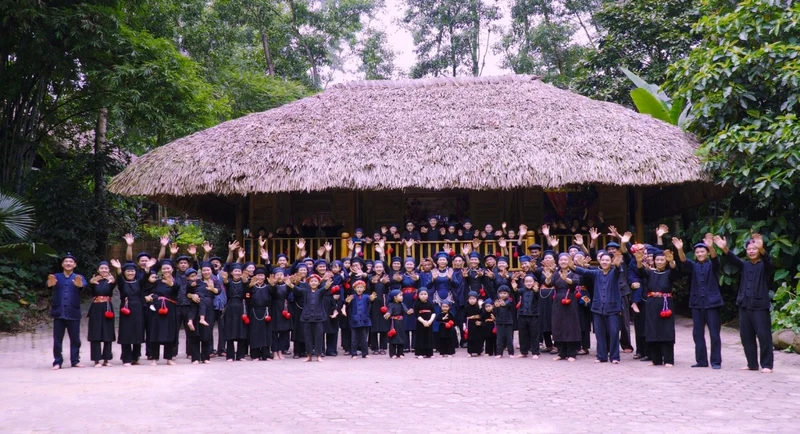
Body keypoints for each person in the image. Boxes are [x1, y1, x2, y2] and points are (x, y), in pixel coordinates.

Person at [714, 234, 774, 373]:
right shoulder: (745, 265)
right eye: (749, 249)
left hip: (760, 306)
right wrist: (724, 248)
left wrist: (763, 249)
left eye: (754, 249)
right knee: (746, 336)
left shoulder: (764, 266)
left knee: (764, 336)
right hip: (744, 305)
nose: (752, 251)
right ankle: (752, 364)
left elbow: (769, 263)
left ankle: (767, 365)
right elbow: (734, 260)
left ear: (759, 250)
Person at [571, 231, 630, 364]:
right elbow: (584, 271)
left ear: (610, 261)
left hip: (613, 308)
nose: (604, 262)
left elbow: (618, 269)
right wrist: (572, 266)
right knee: (600, 334)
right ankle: (601, 356)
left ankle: (614, 357)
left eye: (607, 260)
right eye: (602, 260)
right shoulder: (596, 273)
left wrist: (617, 263)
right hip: (598, 308)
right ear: (599, 261)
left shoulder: (615, 272)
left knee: (614, 332)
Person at [673, 236, 723, 369]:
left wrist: (711, 246)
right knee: (697, 333)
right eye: (698, 252)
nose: (700, 254)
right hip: (696, 303)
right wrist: (680, 249)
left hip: (712, 303)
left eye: (702, 252)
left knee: (714, 333)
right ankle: (701, 360)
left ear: (706, 252)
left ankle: (716, 361)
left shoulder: (713, 265)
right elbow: (683, 260)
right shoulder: (694, 266)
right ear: (695, 254)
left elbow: (714, 258)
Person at [635, 248, 679, 367]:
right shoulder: (650, 272)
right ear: (654, 261)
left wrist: (672, 263)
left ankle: (669, 360)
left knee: (666, 330)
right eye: (657, 260)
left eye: (662, 260)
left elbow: (675, 275)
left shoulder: (669, 273)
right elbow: (641, 273)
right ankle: (656, 360)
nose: (659, 262)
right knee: (652, 329)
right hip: (652, 304)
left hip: (666, 304)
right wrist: (639, 261)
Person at [48, 253, 87, 370]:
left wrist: (79, 284)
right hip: (59, 312)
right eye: (66, 261)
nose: (68, 263)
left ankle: (75, 360)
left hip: (73, 313)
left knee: (75, 339)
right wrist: (51, 282)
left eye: (71, 262)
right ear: (62, 264)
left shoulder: (78, 277)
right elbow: (49, 284)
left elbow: (82, 285)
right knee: (57, 339)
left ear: (74, 265)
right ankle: (57, 361)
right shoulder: (57, 276)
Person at [144, 259, 181, 365]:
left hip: (170, 310)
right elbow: (148, 290)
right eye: (164, 268)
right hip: (156, 311)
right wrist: (149, 296)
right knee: (154, 333)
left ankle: (169, 358)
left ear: (172, 269)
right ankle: (154, 358)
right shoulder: (156, 281)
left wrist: (171, 284)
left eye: (168, 268)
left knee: (170, 333)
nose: (166, 270)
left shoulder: (176, 281)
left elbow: (176, 289)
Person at [112, 260, 148, 366]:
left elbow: (146, 277)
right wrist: (118, 268)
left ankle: (135, 358)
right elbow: (119, 278)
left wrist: (147, 268)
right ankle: (126, 358)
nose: (130, 273)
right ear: (124, 272)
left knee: (138, 332)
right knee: (126, 333)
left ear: (135, 272)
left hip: (138, 308)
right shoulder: (122, 283)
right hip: (126, 308)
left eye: (132, 271)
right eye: (128, 271)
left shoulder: (139, 282)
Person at [289, 273, 330, 362]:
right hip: (307, 318)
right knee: (307, 337)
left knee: (319, 337)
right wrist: (290, 284)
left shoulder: (320, 292)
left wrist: (327, 286)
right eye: (312, 281)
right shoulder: (305, 291)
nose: (314, 283)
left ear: (319, 283)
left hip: (318, 318)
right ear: (308, 283)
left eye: (315, 281)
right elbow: (297, 289)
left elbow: (325, 289)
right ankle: (309, 355)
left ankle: (318, 355)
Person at [550, 254, 582, 362]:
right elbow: (549, 283)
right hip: (558, 301)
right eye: (561, 260)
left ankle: (572, 353)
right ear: (558, 262)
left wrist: (566, 279)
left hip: (570, 299)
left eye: (565, 260)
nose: (563, 262)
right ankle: (561, 352)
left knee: (570, 326)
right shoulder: (556, 273)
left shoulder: (574, 272)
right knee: (558, 325)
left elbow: (576, 282)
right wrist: (548, 276)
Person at [87, 261, 116, 367]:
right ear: (98, 270)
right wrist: (91, 282)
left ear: (109, 270)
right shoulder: (94, 280)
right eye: (102, 268)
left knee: (107, 332)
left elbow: (115, 285)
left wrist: (113, 282)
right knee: (95, 332)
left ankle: (106, 359)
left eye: (106, 268)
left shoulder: (111, 281)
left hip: (108, 307)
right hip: (96, 308)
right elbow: (87, 289)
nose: (104, 270)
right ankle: (96, 359)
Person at [221, 263, 249, 361]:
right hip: (230, 307)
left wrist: (245, 281)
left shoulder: (245, 282)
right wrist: (224, 278)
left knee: (242, 331)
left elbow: (247, 290)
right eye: (235, 271)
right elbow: (225, 281)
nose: (237, 273)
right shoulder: (228, 282)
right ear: (231, 273)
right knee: (230, 330)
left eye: (239, 271)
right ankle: (230, 355)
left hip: (242, 306)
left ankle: (241, 355)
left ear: (242, 273)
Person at [247, 267, 273, 361]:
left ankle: (266, 354)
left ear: (265, 276)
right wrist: (249, 287)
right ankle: (255, 355)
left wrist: (273, 285)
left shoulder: (268, 287)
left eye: (262, 275)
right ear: (255, 276)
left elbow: (275, 294)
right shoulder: (251, 286)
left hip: (266, 311)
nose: (260, 277)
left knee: (266, 333)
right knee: (255, 333)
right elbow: (246, 296)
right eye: (258, 275)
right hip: (254, 312)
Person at [345, 280, 375, 359]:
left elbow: (371, 303)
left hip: (364, 320)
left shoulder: (366, 297)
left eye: (361, 287)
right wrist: (347, 302)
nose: (359, 289)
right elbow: (347, 306)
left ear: (364, 288)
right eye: (358, 287)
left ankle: (365, 353)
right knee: (354, 338)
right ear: (354, 289)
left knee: (364, 338)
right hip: (354, 320)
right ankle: (354, 353)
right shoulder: (352, 297)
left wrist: (372, 300)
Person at [512, 274, 540, 359]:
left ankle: (535, 352)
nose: (528, 283)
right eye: (526, 281)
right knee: (523, 334)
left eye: (530, 281)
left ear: (534, 282)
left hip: (534, 315)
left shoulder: (537, 291)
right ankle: (523, 352)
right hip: (522, 315)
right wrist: (514, 288)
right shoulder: (522, 290)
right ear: (524, 283)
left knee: (534, 334)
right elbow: (516, 291)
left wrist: (536, 291)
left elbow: (537, 296)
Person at [269, 268, 293, 360]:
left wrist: (291, 284)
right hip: (275, 308)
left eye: (281, 274)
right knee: (274, 332)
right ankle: (274, 352)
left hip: (285, 308)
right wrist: (273, 285)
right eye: (277, 274)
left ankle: (280, 351)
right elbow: (272, 293)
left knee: (284, 332)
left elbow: (292, 292)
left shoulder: (287, 285)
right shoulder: (271, 285)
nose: (280, 276)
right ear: (274, 276)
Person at [368, 260, 391, 355]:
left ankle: (383, 347)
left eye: (380, 267)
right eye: (377, 267)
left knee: (384, 326)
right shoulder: (370, 278)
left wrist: (386, 283)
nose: (379, 269)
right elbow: (368, 290)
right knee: (373, 326)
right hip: (373, 303)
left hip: (384, 303)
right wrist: (372, 284)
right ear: (373, 268)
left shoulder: (386, 278)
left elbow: (389, 288)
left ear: (383, 268)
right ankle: (374, 348)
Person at [414, 288, 436, 358]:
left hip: (429, 323)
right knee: (420, 337)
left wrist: (430, 321)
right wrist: (423, 321)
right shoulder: (417, 304)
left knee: (429, 337)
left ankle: (429, 353)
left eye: (425, 294)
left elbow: (434, 313)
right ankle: (420, 353)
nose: (423, 296)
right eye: (421, 294)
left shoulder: (430, 303)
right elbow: (416, 315)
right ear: (418, 295)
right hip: (420, 323)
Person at [493, 286, 515, 358]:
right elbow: (495, 312)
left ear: (508, 294)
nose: (502, 295)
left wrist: (503, 304)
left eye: (505, 293)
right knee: (499, 338)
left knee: (509, 338)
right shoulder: (497, 301)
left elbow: (507, 304)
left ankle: (511, 353)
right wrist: (495, 307)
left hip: (508, 322)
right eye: (501, 293)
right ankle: (499, 353)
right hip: (499, 322)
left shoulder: (510, 300)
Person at [386, 289, 407, 359]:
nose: (402, 297)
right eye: (400, 295)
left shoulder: (402, 304)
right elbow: (389, 311)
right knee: (393, 337)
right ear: (395, 297)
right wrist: (388, 313)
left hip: (400, 323)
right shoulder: (391, 304)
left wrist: (409, 311)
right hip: (393, 323)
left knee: (401, 337)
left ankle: (400, 353)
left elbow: (406, 310)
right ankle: (392, 353)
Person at [463, 292, 483, 356]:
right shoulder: (466, 307)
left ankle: (479, 351)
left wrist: (480, 322)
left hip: (477, 324)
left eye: (473, 298)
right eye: (470, 299)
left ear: (476, 299)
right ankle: (470, 352)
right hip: (470, 324)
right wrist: (464, 324)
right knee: (470, 338)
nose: (471, 300)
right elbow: (464, 316)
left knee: (478, 338)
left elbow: (482, 315)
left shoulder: (479, 307)